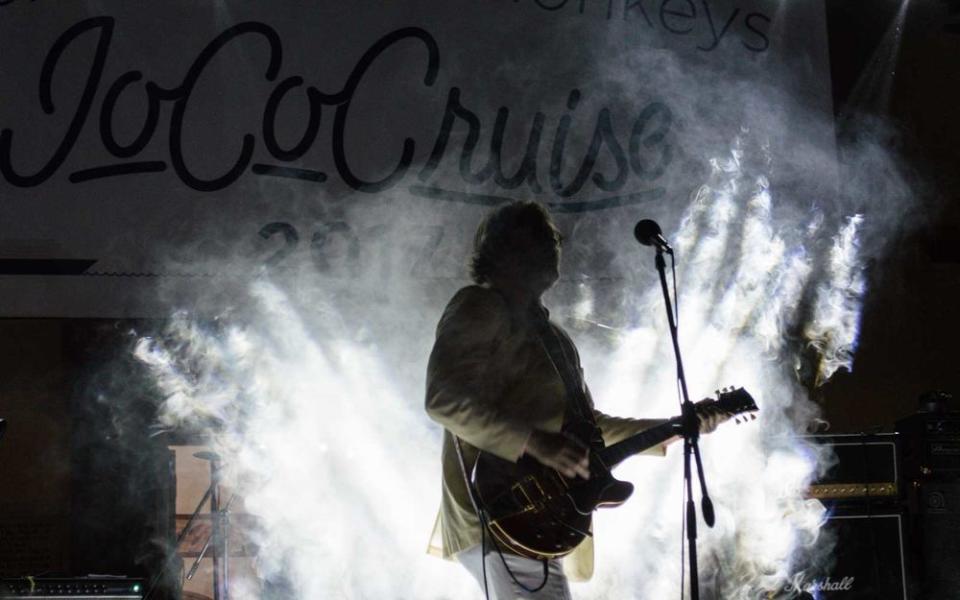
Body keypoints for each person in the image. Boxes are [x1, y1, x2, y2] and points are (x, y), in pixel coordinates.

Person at [425, 201, 729, 599]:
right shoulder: (479, 305)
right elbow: (443, 398)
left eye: (553, 238)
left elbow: (590, 426)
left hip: (541, 519)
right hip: (501, 511)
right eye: (541, 237)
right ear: (507, 249)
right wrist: (534, 442)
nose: (554, 245)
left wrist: (674, 427)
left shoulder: (554, 337)